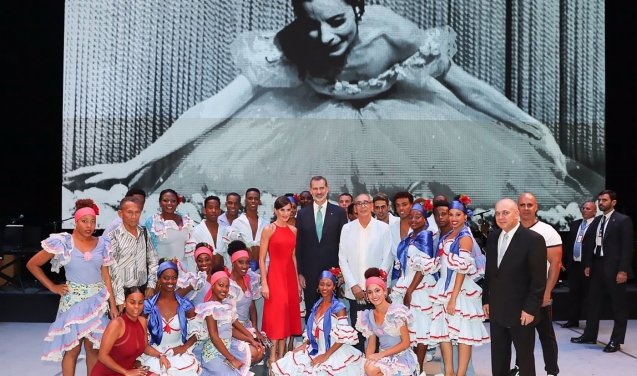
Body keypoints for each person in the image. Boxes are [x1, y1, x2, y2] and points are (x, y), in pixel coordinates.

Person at [63, 0, 589, 211]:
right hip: (314, 129)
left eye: (338, 21)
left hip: (402, 121)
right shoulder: (293, 45)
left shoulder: (394, 33)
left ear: (359, 9)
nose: (326, 35)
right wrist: (134, 163)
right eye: (313, 22)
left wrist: (532, 124)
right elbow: (215, 105)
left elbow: (467, 88)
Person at [27, 198, 115, 376]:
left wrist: (113, 306)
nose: (89, 226)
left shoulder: (103, 243)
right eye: (85, 221)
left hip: (97, 302)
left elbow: (106, 276)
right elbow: (32, 264)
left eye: (93, 221)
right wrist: (52, 286)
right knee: (72, 350)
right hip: (73, 303)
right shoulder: (64, 242)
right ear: (75, 221)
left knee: (93, 350)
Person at [482, 198, 546, 376]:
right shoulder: (493, 236)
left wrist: (530, 309)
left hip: (522, 312)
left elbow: (538, 280)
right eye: (498, 213)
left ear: (516, 214)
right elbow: (490, 272)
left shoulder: (533, 240)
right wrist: (486, 299)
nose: (501, 217)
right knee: (499, 356)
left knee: (525, 358)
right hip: (497, 309)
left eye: (505, 212)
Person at [429, 195, 489, 376]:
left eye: (458, 215)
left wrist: (454, 297)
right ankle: (449, 373)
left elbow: (462, 269)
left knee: (463, 335)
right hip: (445, 288)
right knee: (444, 333)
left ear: (465, 217)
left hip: (459, 290)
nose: (453, 218)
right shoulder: (448, 236)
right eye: (451, 214)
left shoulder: (465, 237)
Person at [272, 270, 364, 376]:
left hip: (333, 352)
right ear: (318, 286)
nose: (324, 288)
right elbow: (314, 331)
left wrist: (325, 356)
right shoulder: (317, 305)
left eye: (328, 284)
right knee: (291, 362)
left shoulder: (339, 308)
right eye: (322, 284)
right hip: (316, 349)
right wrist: (305, 344)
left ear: (334, 287)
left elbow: (342, 338)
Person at [571, 189, 634, 353]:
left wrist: (623, 270)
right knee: (593, 303)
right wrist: (588, 265)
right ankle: (589, 335)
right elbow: (591, 244)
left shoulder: (622, 220)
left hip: (614, 268)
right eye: (599, 200)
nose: (601, 203)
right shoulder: (597, 220)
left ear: (613, 202)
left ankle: (616, 340)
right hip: (597, 266)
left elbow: (627, 248)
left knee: (618, 305)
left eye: (604, 200)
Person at [510, 192, 562, 376]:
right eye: (522, 205)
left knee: (546, 336)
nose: (525, 208)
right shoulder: (511, 230)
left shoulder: (547, 232)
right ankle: (519, 367)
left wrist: (547, 293)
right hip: (516, 296)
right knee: (519, 335)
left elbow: (555, 265)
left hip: (539, 295)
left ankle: (552, 374)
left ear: (536, 207)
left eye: (529, 205)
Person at [389, 202, 438, 376]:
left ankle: (419, 369)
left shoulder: (425, 236)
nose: (414, 220)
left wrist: (410, 291)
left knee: (421, 329)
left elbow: (423, 267)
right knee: (410, 331)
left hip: (419, 286)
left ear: (424, 219)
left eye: (418, 216)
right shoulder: (411, 236)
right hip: (407, 283)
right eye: (411, 217)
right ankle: (412, 367)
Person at [338, 193, 392, 351]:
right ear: (355, 207)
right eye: (359, 204)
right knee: (358, 331)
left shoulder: (383, 228)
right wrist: (354, 285)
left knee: (378, 330)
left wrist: (375, 285)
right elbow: (343, 259)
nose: (362, 206)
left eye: (366, 203)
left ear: (371, 206)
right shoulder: (347, 229)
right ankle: (358, 369)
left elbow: (387, 257)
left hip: (375, 292)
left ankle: (375, 368)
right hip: (356, 292)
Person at [196, 269, 262, 376]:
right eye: (220, 285)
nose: (224, 289)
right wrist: (232, 359)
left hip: (226, 351)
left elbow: (232, 330)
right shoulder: (210, 308)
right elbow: (215, 338)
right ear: (213, 285)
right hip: (213, 355)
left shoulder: (226, 305)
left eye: (227, 286)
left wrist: (251, 339)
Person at [140, 261, 201, 376]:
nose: (170, 281)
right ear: (159, 279)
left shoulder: (186, 305)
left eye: (173, 278)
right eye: (166, 278)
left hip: (178, 353)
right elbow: (140, 336)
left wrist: (184, 348)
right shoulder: (148, 306)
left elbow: (197, 332)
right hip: (154, 353)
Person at [259, 195, 302, 376]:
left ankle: (283, 357)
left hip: (290, 277)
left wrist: (298, 282)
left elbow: (293, 256)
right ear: (275, 211)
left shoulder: (293, 230)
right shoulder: (269, 229)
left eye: (288, 210)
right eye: (282, 210)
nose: (286, 213)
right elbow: (261, 258)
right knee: (277, 315)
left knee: (288, 315)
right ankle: (272, 358)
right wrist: (264, 283)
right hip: (275, 276)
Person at [356, 267, 417, 376]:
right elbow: (371, 345)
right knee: (367, 371)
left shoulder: (397, 311)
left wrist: (380, 356)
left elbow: (406, 343)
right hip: (383, 360)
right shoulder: (368, 316)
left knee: (371, 369)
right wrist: (368, 360)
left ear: (384, 291)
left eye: (377, 290)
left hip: (400, 357)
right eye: (370, 292)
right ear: (367, 296)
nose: (374, 295)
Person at [90, 286, 163, 376]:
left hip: (128, 371)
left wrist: (160, 356)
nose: (137, 307)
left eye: (140, 303)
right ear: (124, 303)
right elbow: (102, 356)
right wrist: (126, 372)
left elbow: (145, 347)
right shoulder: (116, 324)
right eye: (132, 302)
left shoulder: (142, 321)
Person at [296, 175, 348, 313]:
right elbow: (299, 245)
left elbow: (344, 244)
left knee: (332, 311)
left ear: (327, 189)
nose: (319, 192)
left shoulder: (339, 213)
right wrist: (300, 273)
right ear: (311, 190)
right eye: (315, 189)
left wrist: (341, 272)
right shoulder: (302, 214)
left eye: (321, 188)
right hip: (309, 274)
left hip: (332, 273)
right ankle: (310, 335)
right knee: (311, 311)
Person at [108, 196, 159, 312]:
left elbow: (153, 260)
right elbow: (112, 270)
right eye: (129, 212)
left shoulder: (144, 233)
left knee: (140, 327)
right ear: (120, 214)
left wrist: (151, 284)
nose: (134, 216)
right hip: (121, 294)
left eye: (137, 212)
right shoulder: (113, 237)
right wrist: (119, 299)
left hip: (142, 292)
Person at [227, 240, 268, 361]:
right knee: (256, 353)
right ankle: (232, 365)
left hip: (246, 325)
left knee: (262, 349)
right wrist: (250, 336)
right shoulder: (228, 285)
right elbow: (231, 320)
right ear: (233, 263)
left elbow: (252, 306)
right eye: (241, 263)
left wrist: (255, 329)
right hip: (233, 329)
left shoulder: (250, 279)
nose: (245, 266)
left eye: (247, 263)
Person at [560, 200, 596, 328]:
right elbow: (569, 245)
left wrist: (590, 265)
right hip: (574, 264)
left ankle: (590, 323)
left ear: (595, 211)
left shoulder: (597, 225)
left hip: (588, 266)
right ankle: (573, 320)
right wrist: (563, 260)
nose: (585, 210)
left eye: (588, 209)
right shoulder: (575, 224)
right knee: (574, 294)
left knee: (589, 295)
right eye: (583, 208)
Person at [145, 188, 196, 273]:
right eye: (165, 200)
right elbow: (149, 250)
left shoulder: (186, 220)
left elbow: (190, 248)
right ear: (160, 203)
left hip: (184, 270)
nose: (169, 203)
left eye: (173, 201)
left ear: (177, 203)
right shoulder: (152, 222)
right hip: (162, 271)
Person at [190, 195, 225, 267]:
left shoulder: (226, 231)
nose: (213, 211)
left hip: (223, 274)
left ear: (220, 211)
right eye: (210, 208)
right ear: (204, 210)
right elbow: (193, 258)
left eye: (216, 208)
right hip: (203, 274)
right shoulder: (196, 231)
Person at [389, 191, 413, 284]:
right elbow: (389, 257)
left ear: (411, 205)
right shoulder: (391, 228)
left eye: (404, 204)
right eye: (398, 205)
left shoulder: (421, 227)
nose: (401, 208)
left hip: (418, 279)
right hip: (397, 278)